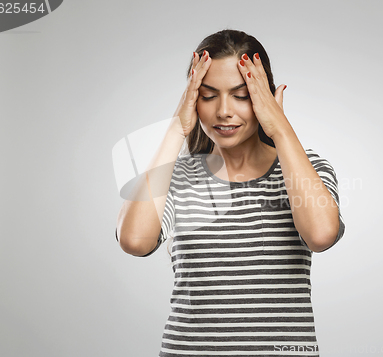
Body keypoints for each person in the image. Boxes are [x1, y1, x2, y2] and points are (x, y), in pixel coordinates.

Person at [116, 29, 345, 356]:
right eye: (208, 95)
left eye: (241, 95)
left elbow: (321, 235)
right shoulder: (177, 176)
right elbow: (134, 241)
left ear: (263, 97)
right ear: (193, 100)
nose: (224, 111)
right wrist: (176, 129)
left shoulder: (305, 169)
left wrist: (280, 128)